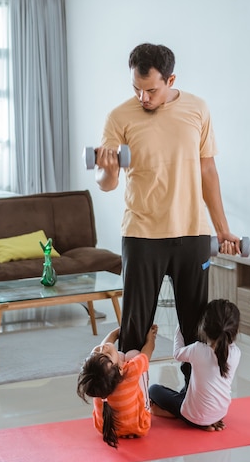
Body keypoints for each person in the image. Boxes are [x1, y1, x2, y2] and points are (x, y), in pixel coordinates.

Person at [94, 42, 240, 357]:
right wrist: (106, 169)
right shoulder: (119, 116)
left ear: (170, 81)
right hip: (142, 233)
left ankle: (193, 402)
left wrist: (222, 229)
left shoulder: (197, 109)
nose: (143, 97)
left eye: (151, 90)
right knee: (135, 328)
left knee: (196, 329)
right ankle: (128, 403)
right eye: (136, 89)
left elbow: (208, 170)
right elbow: (107, 183)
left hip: (192, 232)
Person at [149, 299, 241, 430]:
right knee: (187, 391)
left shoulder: (198, 349)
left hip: (193, 416)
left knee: (153, 389)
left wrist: (180, 327)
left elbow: (177, 354)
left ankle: (175, 415)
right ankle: (208, 420)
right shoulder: (236, 353)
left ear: (204, 327)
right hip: (220, 413)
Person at [76, 324, 158, 448]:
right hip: (140, 426)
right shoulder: (131, 371)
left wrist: (122, 330)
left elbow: (106, 347)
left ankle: (123, 427)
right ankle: (144, 408)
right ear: (120, 369)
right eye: (104, 353)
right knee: (134, 354)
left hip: (105, 428)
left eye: (97, 351)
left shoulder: (97, 378)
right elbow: (148, 351)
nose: (101, 347)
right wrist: (150, 337)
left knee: (118, 355)